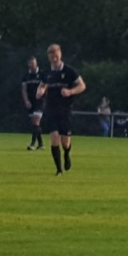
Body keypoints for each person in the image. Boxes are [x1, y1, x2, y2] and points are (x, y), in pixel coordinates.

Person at [36, 44, 86, 176]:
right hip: (50, 109)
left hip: (65, 110)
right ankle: (59, 170)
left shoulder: (69, 71)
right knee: (54, 138)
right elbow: (42, 86)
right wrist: (40, 91)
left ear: (60, 54)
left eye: (56, 55)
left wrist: (70, 92)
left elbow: (82, 85)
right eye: (51, 56)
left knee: (65, 141)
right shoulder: (46, 73)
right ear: (48, 57)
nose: (54, 58)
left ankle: (67, 154)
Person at [21, 56, 45, 150]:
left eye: (33, 63)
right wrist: (26, 100)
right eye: (30, 63)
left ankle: (32, 144)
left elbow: (46, 86)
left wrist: (42, 93)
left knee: (36, 121)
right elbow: (24, 90)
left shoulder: (42, 74)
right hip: (31, 102)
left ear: (36, 63)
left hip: (40, 101)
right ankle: (41, 144)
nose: (32, 65)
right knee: (35, 124)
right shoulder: (26, 76)